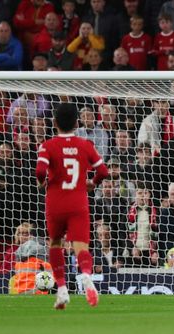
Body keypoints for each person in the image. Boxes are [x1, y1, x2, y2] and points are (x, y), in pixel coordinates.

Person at [35, 103, 109, 309]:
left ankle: (62, 290)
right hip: (78, 202)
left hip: (56, 202)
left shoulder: (47, 146)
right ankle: (86, 276)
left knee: (56, 243)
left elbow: (40, 170)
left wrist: (42, 182)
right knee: (81, 247)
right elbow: (103, 171)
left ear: (55, 122)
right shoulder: (86, 145)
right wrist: (92, 184)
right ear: (77, 123)